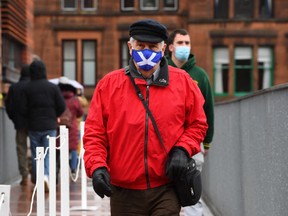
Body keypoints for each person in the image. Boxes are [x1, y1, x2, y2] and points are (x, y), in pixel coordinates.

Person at [83, 19, 208, 216]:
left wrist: (182, 150)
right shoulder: (109, 85)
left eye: (153, 46)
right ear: (130, 46)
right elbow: (95, 134)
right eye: (140, 45)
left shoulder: (183, 82)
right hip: (124, 192)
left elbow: (198, 124)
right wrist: (97, 166)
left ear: (164, 48)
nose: (146, 51)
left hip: (165, 187)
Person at [166, 29, 215, 216]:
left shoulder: (200, 76)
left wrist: (207, 141)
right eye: (180, 43)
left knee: (191, 187)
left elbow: (208, 110)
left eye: (187, 43)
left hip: (194, 141)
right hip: (168, 140)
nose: (184, 47)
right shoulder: (161, 71)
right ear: (170, 47)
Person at [21, 59, 66, 192]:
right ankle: (46, 177)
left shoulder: (27, 88)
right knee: (48, 153)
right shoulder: (52, 87)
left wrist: (29, 118)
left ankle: (40, 178)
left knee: (36, 153)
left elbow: (23, 108)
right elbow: (61, 106)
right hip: (49, 125)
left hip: (34, 126)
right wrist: (53, 115)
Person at [5, 65, 31, 185]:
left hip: (19, 124)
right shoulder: (32, 86)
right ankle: (36, 174)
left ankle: (24, 175)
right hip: (33, 123)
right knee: (36, 149)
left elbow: (8, 105)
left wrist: (14, 119)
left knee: (21, 148)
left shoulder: (14, 88)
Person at [58, 76, 84, 176]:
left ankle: (61, 167)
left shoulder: (58, 98)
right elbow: (80, 113)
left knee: (60, 147)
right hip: (72, 126)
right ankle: (73, 169)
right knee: (73, 149)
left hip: (60, 126)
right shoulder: (75, 100)